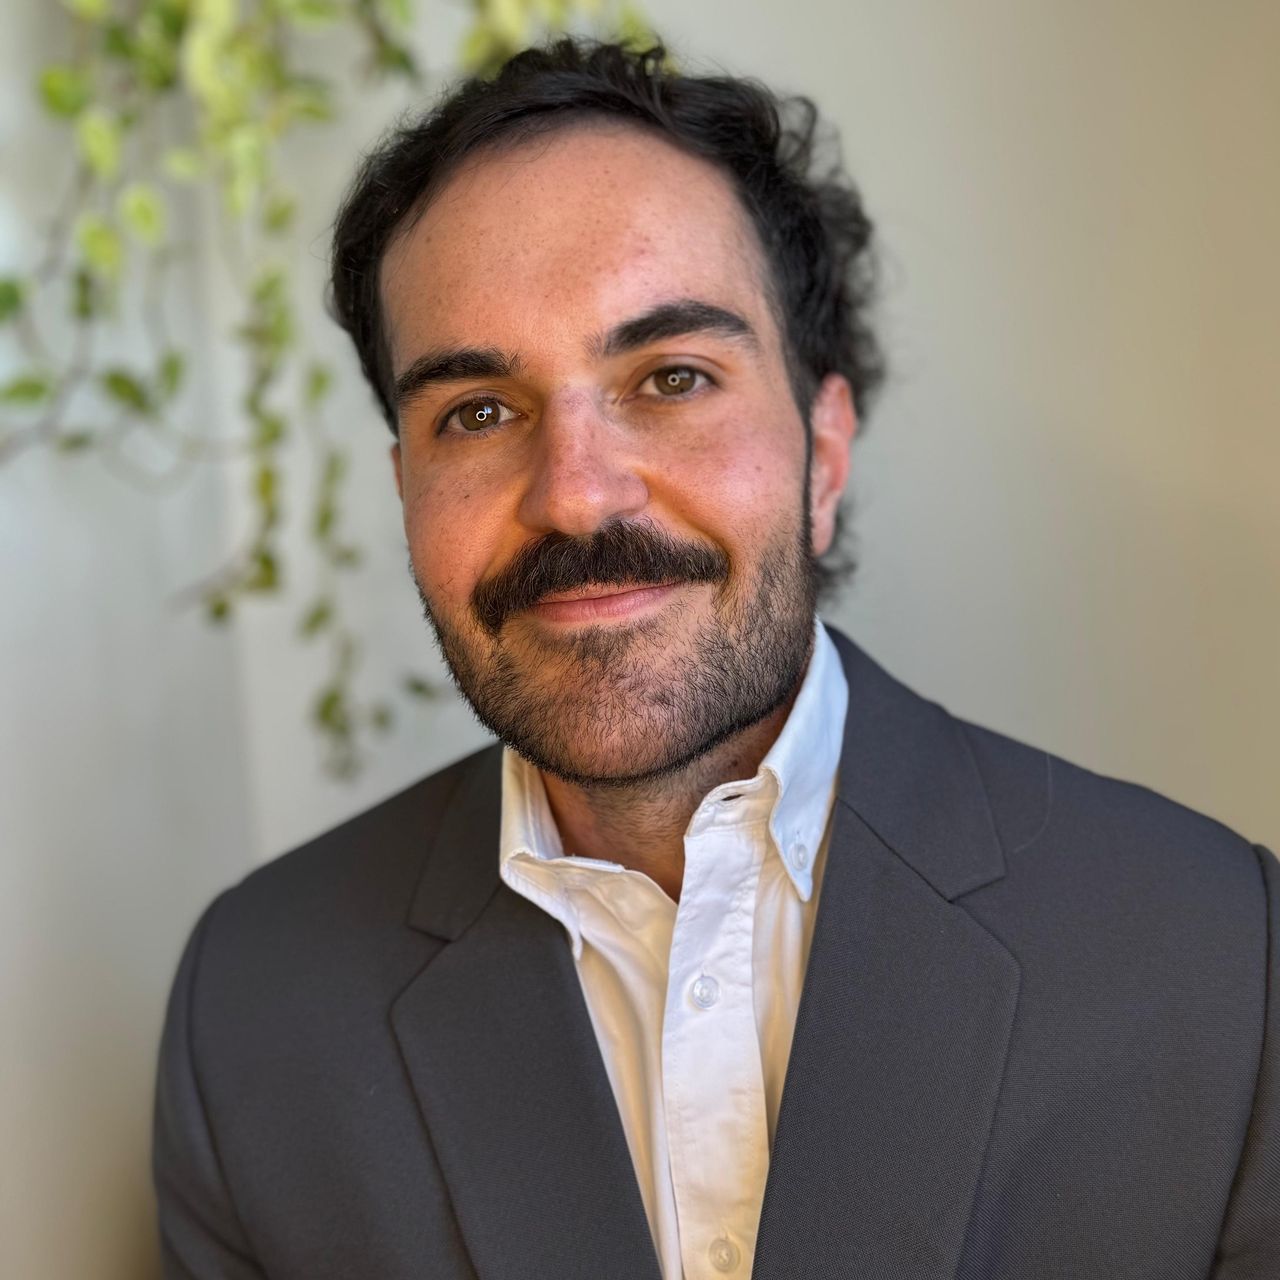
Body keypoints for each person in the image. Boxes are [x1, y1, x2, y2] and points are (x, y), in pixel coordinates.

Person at [152, 37, 1278, 1280]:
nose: (575, 494)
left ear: (823, 453)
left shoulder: (1219, 952)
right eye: (476, 411)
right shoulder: (249, 1008)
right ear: (404, 485)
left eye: (671, 376)